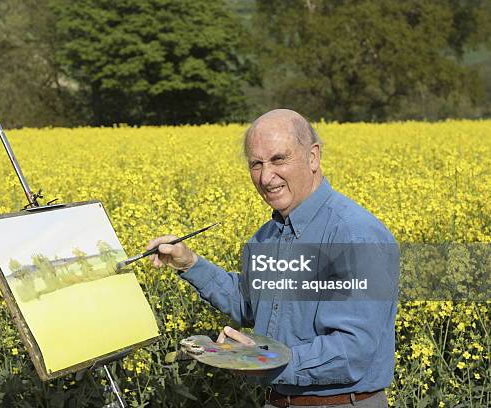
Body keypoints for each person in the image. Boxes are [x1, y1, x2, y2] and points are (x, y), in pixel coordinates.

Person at [148, 109, 398, 407]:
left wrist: (263, 359)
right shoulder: (267, 236)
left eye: (279, 159)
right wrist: (189, 263)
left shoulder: (353, 235)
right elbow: (249, 303)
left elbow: (352, 351)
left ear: (313, 157)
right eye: (256, 164)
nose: (266, 177)